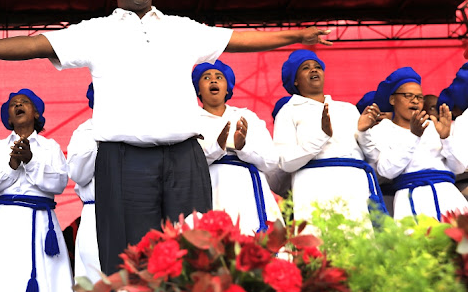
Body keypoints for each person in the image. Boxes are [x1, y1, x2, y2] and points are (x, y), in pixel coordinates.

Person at [0, 0, 331, 282]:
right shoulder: (96, 31)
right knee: (132, 268)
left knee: (195, 263)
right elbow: (35, 44)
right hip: (124, 161)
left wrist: (295, 37)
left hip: (185, 160)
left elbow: (239, 39)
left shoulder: (181, 29)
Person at [0, 89, 77, 292]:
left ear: (37, 114)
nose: (18, 105)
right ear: (9, 118)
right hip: (2, 224)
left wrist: (31, 162)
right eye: (13, 104)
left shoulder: (50, 147)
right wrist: (12, 167)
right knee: (2, 287)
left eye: (25, 103)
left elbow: (59, 184)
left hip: (40, 224)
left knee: (47, 287)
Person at [273, 50, 387, 225]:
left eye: (317, 67)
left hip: (353, 186)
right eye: (305, 68)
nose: (313, 70)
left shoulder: (347, 109)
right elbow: (285, 162)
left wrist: (364, 131)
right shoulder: (288, 111)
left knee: (357, 243)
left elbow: (372, 156)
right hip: (314, 187)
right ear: (295, 80)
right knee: (319, 245)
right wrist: (321, 135)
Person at [192, 61, 283, 234]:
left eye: (219, 77)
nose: (213, 81)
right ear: (198, 90)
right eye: (206, 78)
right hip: (211, 188)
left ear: (227, 89)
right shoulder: (191, 120)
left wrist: (243, 148)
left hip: (248, 190)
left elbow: (271, 161)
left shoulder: (247, 116)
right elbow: (185, 165)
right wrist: (217, 148)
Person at [370, 68, 468, 220]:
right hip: (410, 200)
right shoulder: (382, 130)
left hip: (448, 196)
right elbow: (386, 171)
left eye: (419, 97)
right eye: (408, 95)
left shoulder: (435, 126)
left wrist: (446, 138)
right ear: (392, 100)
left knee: (460, 242)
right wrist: (413, 136)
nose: (415, 100)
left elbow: (458, 168)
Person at [68, 83, 110, 292]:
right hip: (97, 213)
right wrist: (100, 139)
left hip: (135, 211)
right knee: (96, 287)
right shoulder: (85, 131)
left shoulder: (136, 129)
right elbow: (79, 175)